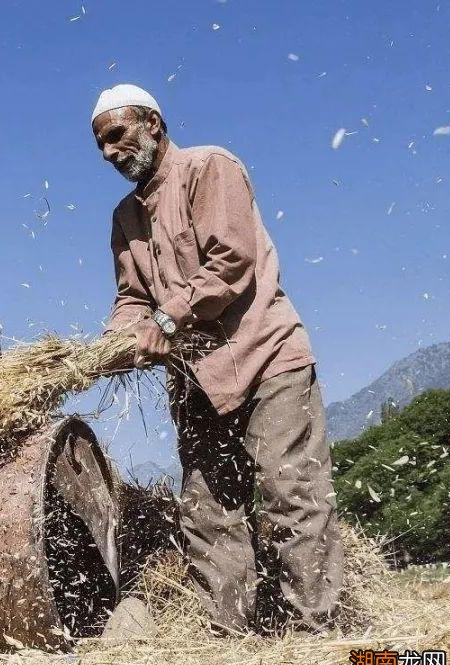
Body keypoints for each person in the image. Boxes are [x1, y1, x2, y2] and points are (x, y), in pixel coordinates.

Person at [91, 84, 342, 634]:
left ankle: (312, 633)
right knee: (208, 509)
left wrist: (166, 320)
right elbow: (132, 298)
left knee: (290, 494)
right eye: (101, 146)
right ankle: (228, 635)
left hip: (265, 357)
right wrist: (110, 345)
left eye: (117, 135)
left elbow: (231, 261)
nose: (110, 153)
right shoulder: (125, 218)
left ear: (153, 124)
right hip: (196, 377)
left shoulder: (209, 167)